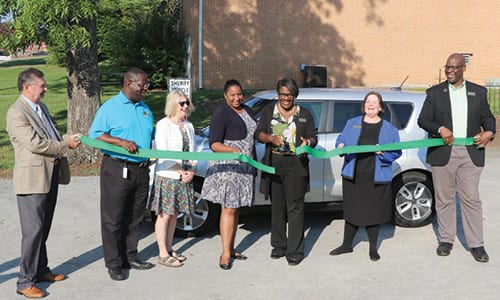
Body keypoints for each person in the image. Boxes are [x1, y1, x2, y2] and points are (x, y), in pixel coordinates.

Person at [6, 68, 81, 298]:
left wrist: (65, 139)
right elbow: (35, 144)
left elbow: (51, 135)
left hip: (50, 175)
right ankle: (24, 281)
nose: (46, 88)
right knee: (33, 230)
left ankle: (40, 270)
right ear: (27, 87)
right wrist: (65, 145)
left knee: (43, 227)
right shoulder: (16, 112)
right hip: (32, 180)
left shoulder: (41, 108)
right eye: (42, 85)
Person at [418, 53, 496, 263]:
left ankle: (476, 244)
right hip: (443, 152)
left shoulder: (478, 92)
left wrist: (490, 131)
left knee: (471, 198)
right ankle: (446, 240)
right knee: (444, 199)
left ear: (464, 69)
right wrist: (440, 128)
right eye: (447, 68)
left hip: (470, 153)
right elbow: (423, 120)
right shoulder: (435, 93)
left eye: (454, 67)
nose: (450, 71)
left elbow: (487, 117)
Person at [89, 67, 155, 281]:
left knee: (135, 217)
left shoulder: (145, 109)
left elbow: (150, 136)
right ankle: (114, 262)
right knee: (114, 217)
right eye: (142, 85)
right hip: (118, 168)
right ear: (129, 83)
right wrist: (120, 142)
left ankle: (130, 256)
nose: (146, 88)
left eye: (146, 85)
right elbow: (96, 135)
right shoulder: (110, 108)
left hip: (142, 169)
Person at [329, 91, 401, 261]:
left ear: (380, 107)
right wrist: (340, 144)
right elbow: (341, 139)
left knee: (372, 213)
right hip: (353, 175)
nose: (370, 105)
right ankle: (346, 245)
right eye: (368, 101)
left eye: (374, 102)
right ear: (364, 105)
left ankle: (372, 248)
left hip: (375, 177)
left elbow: (397, 152)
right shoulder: (352, 123)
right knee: (352, 212)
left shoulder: (390, 129)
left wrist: (383, 152)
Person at [256, 77, 317, 266]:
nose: (286, 98)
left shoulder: (304, 113)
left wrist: (307, 142)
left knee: (295, 208)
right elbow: (258, 134)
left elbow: (313, 138)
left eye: (289, 95)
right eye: (282, 94)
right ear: (278, 95)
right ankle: (279, 246)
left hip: (296, 166)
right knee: (277, 208)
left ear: (295, 96)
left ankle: (295, 251)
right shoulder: (268, 112)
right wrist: (270, 138)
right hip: (274, 164)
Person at [200, 79, 257, 270]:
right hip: (228, 167)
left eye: (239, 94)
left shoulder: (248, 110)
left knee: (236, 208)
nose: (236, 98)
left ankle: (232, 248)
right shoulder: (221, 113)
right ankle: (225, 253)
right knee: (228, 209)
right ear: (225, 95)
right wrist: (232, 150)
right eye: (232, 95)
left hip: (244, 167)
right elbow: (214, 143)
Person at [150, 90, 196, 268]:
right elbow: (163, 154)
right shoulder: (163, 125)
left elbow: (193, 151)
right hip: (168, 176)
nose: (185, 107)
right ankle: (162, 253)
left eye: (187, 103)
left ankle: (169, 248)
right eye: (182, 103)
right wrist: (180, 171)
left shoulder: (189, 126)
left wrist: (191, 170)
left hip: (184, 176)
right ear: (173, 105)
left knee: (175, 213)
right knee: (164, 214)